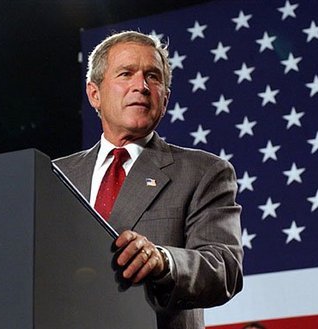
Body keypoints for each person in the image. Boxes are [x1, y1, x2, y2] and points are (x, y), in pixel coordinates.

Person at [54, 31, 243, 328]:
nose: (141, 86)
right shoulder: (56, 176)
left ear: (164, 99)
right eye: (126, 73)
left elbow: (224, 269)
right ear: (95, 94)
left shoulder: (204, 171)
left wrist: (164, 261)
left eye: (153, 77)